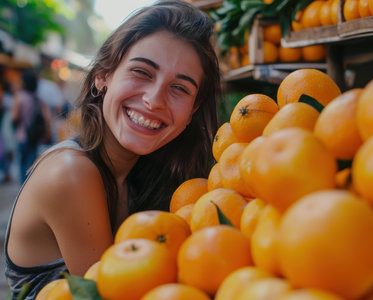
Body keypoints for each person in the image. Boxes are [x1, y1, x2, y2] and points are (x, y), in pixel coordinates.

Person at [4, 1, 220, 298]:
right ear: (102, 76)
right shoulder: (71, 172)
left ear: (193, 110)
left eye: (179, 88)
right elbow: (114, 293)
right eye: (142, 72)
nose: (155, 100)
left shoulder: (142, 171)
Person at [10, 70, 51, 184]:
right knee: (30, 164)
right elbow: (47, 118)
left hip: (21, 135)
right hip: (34, 137)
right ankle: (27, 187)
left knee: (22, 163)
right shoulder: (38, 99)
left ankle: (22, 190)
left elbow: (15, 116)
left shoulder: (19, 97)